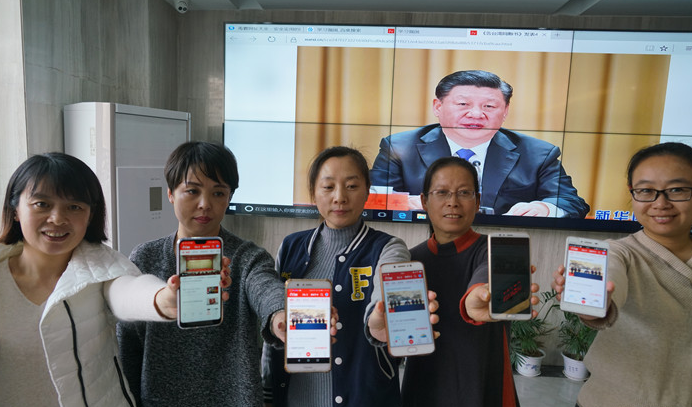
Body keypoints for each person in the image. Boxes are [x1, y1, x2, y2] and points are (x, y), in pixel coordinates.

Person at [0, 152, 192, 407]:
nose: (57, 218)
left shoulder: (102, 267)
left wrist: (163, 299)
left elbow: (128, 291)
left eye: (74, 207)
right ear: (15, 210)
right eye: (42, 204)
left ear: (90, 215)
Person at [117, 141, 285, 407]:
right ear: (171, 194)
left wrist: (279, 313)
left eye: (218, 193)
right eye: (192, 191)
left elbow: (266, 288)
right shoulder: (145, 257)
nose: (205, 204)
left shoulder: (248, 257)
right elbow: (128, 344)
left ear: (229, 197)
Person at [368, 156, 540, 407]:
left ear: (477, 201)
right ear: (424, 202)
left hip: (484, 387)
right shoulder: (411, 262)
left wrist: (478, 296)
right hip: (423, 388)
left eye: (464, 193)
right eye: (442, 192)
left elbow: (486, 275)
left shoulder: (495, 250)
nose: (453, 202)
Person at [262, 146, 426, 407]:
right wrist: (267, 388)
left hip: (366, 398)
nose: (339, 197)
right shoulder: (291, 246)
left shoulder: (388, 247)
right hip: (298, 398)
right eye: (328, 187)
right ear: (313, 193)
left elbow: (385, 293)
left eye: (351, 186)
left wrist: (379, 318)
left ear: (367, 191)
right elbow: (276, 317)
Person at [551, 142, 692, 407]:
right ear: (632, 193)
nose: (660, 203)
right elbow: (609, 280)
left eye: (677, 190)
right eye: (646, 191)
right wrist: (595, 306)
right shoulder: (618, 253)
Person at [370, 69, 589, 218]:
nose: (476, 114)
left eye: (489, 106)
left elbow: (572, 202)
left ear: (505, 111)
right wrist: (407, 203)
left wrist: (545, 208)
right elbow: (373, 199)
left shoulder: (538, 154)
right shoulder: (399, 147)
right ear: (438, 107)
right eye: (463, 104)